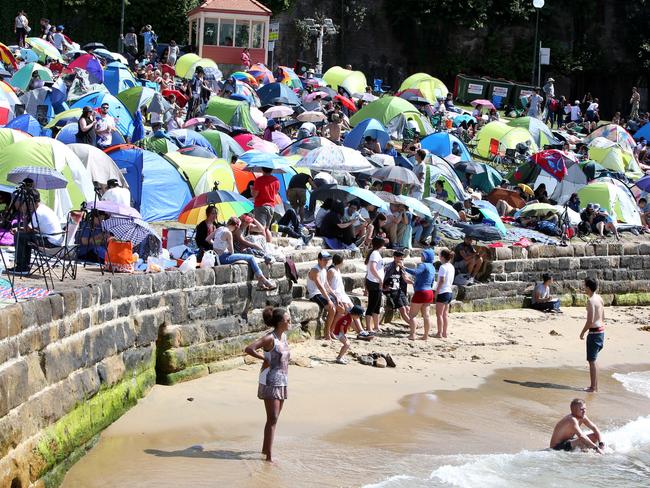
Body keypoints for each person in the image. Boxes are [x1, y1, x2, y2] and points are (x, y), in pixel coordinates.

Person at [244, 306, 291, 462]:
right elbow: (249, 348)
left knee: (274, 419)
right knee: (273, 418)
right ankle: (269, 458)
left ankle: (265, 450)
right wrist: (264, 359)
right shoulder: (270, 338)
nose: (289, 321)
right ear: (279, 322)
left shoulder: (283, 337)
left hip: (282, 380)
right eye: (287, 319)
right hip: (270, 379)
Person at [9, 189, 64, 275]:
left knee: (19, 236)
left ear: (31, 202)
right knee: (23, 234)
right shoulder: (43, 208)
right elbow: (33, 229)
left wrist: (24, 213)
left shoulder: (38, 212)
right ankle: (24, 265)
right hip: (55, 239)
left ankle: (22, 267)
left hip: (50, 242)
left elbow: (28, 229)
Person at [212, 217, 276, 290]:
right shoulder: (228, 233)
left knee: (251, 257)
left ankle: (261, 280)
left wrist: (218, 247)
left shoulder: (219, 229)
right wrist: (225, 248)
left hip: (217, 256)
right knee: (251, 258)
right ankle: (262, 280)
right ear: (236, 226)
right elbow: (231, 251)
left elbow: (208, 239)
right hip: (224, 257)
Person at [580, 278, 605, 392]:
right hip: (601, 332)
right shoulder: (599, 298)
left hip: (594, 333)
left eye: (585, 286)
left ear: (588, 288)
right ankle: (595, 386)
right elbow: (603, 316)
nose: (583, 288)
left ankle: (593, 387)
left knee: (592, 361)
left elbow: (590, 321)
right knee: (594, 360)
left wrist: (582, 332)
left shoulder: (591, 301)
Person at [405, 248, 436, 340]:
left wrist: (404, 268)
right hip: (429, 292)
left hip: (421, 292)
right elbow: (432, 281)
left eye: (422, 255)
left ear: (426, 257)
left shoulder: (424, 265)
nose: (421, 256)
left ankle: (412, 334)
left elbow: (416, 273)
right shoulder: (432, 267)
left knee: (412, 315)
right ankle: (425, 335)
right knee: (426, 315)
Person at [307, 251, 338, 339]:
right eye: (324, 260)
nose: (327, 261)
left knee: (340, 307)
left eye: (328, 259)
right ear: (319, 260)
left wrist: (335, 296)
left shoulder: (324, 269)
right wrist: (328, 299)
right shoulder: (315, 270)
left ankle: (332, 331)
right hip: (315, 294)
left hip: (322, 293)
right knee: (332, 309)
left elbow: (326, 285)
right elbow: (320, 286)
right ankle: (327, 333)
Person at [382, 249, 411, 325]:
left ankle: (412, 323)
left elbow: (405, 279)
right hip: (391, 290)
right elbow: (382, 277)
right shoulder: (388, 267)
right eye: (400, 257)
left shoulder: (402, 268)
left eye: (402, 258)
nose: (401, 259)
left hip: (399, 290)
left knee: (408, 308)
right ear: (395, 257)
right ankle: (412, 324)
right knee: (403, 309)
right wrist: (383, 288)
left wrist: (414, 283)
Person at [365, 236, 386, 333]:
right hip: (374, 282)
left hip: (376, 282)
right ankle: (369, 327)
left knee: (377, 305)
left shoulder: (375, 253)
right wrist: (379, 278)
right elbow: (373, 268)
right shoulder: (374, 254)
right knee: (372, 305)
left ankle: (376, 326)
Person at [434, 249, 455, 338]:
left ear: (442, 257)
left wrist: (437, 292)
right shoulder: (451, 266)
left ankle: (439, 333)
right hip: (449, 291)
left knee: (439, 314)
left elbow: (442, 280)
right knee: (445, 314)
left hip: (443, 291)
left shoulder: (443, 267)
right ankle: (445, 333)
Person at [252, 167, 279, 233]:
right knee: (266, 229)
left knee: (260, 228)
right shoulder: (276, 180)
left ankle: (248, 228)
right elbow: (275, 193)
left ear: (262, 169)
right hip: (271, 207)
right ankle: (267, 242)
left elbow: (254, 195)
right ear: (272, 170)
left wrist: (252, 190)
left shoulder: (259, 180)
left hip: (260, 206)